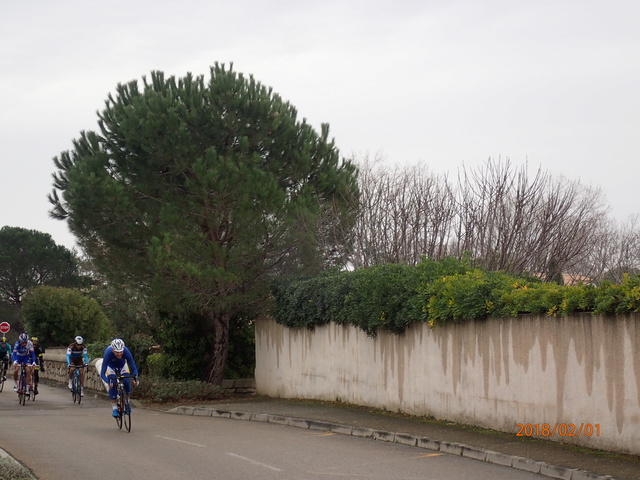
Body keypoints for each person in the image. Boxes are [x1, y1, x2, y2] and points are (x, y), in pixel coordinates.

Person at [100, 338, 139, 418]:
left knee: (126, 380)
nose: (119, 354)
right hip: (111, 366)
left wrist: (135, 378)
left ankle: (127, 402)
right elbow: (102, 373)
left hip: (122, 365)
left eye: (121, 352)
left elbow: (133, 366)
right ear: (113, 351)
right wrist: (108, 382)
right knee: (113, 383)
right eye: (117, 352)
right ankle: (114, 408)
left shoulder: (126, 351)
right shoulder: (108, 353)